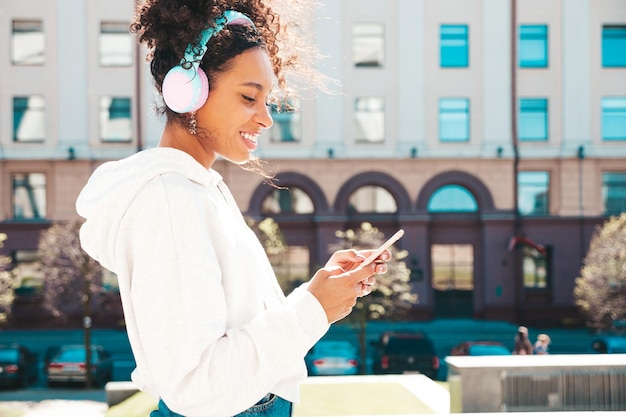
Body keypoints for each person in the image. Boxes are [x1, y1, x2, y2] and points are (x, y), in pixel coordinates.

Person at [75, 1, 390, 416]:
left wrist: (319, 292)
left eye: (267, 101)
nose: (266, 119)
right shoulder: (171, 199)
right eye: (248, 98)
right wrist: (312, 307)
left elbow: (240, 327)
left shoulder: (200, 189)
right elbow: (196, 387)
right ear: (188, 90)